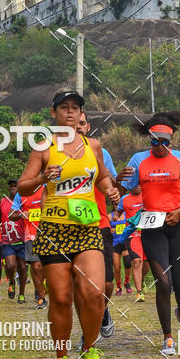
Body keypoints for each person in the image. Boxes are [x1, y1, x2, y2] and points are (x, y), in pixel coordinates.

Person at [17, 90, 119, 359]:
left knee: (95, 292)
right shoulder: (44, 148)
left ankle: (89, 348)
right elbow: (23, 186)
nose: (71, 113)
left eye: (75, 108)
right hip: (53, 230)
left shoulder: (93, 145)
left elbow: (100, 176)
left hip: (87, 228)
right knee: (60, 299)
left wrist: (109, 189)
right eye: (65, 108)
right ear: (54, 113)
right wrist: (41, 179)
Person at [120, 112, 180, 355]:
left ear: (171, 140)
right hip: (152, 226)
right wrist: (117, 180)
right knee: (163, 283)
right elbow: (121, 189)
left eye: (164, 141)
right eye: (155, 141)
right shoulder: (138, 160)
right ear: (149, 139)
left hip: (179, 225)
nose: (160, 146)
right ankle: (168, 338)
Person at [77, 111, 117, 339]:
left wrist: (114, 191)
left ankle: (103, 310)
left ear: (88, 126)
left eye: (82, 123)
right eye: (75, 123)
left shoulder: (99, 151)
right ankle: (87, 331)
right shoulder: (57, 153)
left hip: (99, 223)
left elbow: (109, 181)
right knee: (83, 285)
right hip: (71, 226)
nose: (79, 127)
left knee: (107, 284)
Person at [10, 180, 47, 308]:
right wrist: (21, 214)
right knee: (36, 266)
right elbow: (11, 215)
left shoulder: (47, 188)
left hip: (49, 233)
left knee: (46, 266)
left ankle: (41, 287)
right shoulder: (21, 194)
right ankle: (41, 297)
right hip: (30, 234)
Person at [116, 186, 147, 300]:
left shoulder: (147, 194)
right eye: (136, 183)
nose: (138, 185)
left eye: (140, 183)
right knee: (136, 261)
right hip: (132, 234)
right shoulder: (124, 199)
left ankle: (142, 279)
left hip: (148, 233)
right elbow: (118, 212)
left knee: (147, 264)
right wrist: (116, 216)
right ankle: (139, 292)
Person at [0, 180, 28, 301]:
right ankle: (11, 282)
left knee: (22, 267)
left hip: (22, 238)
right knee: (10, 265)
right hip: (7, 239)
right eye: (10, 186)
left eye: (15, 186)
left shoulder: (24, 199)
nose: (13, 188)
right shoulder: (2, 201)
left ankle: (21, 294)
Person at [110, 208, 129, 294]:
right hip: (115, 243)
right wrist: (110, 230)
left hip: (125, 242)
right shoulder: (109, 216)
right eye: (115, 203)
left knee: (128, 263)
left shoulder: (127, 214)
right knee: (117, 267)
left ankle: (127, 282)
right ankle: (118, 286)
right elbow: (105, 228)